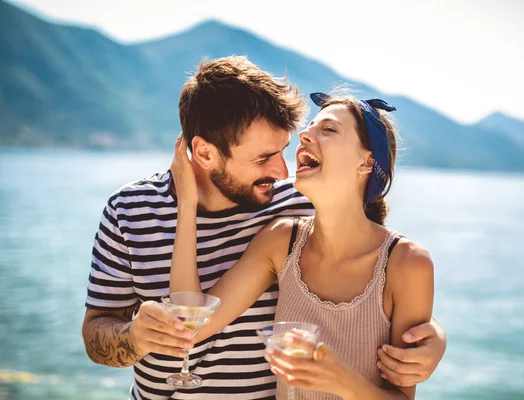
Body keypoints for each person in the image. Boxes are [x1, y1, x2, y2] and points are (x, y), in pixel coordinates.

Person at [81, 56, 447, 400]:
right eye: (264, 158)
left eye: (283, 150)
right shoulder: (128, 211)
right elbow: (101, 332)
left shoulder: (297, 203)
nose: (281, 172)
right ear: (205, 153)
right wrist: (135, 337)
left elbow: (380, 270)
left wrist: (433, 337)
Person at [169, 90, 434, 399]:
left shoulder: (407, 264)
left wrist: (339, 380)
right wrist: (187, 203)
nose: (305, 134)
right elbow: (191, 324)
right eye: (309, 126)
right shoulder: (281, 241)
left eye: (329, 129)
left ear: (366, 162)